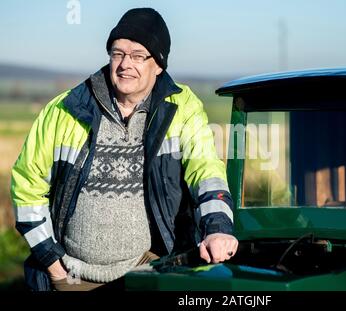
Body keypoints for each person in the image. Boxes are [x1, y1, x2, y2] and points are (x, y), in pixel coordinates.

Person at [10, 7, 238, 291]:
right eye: (117, 53)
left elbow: (207, 172)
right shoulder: (65, 109)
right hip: (74, 276)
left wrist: (217, 230)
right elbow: (26, 186)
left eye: (138, 55)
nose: (124, 64)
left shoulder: (183, 109)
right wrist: (52, 264)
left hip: (148, 270)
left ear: (159, 64)